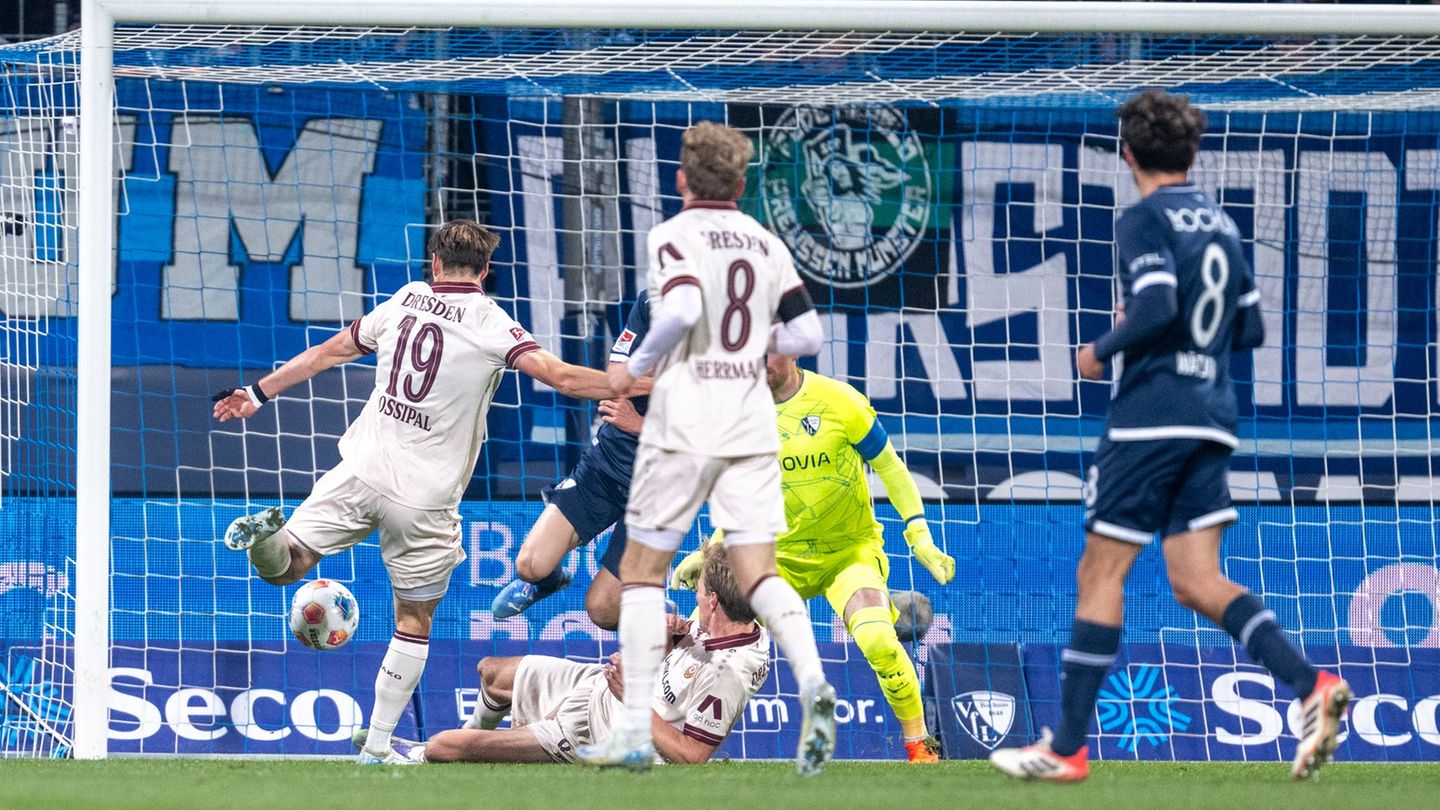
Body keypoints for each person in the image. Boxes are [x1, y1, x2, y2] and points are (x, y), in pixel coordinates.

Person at [989, 91, 1350, 782]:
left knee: (1100, 573)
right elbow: (1249, 329)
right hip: (1212, 413)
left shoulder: (1141, 219)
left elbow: (1156, 304)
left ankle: (1065, 745)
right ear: (1192, 152)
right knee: (1195, 580)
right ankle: (1312, 684)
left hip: (1152, 415)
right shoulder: (1220, 223)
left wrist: (1101, 348)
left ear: (1127, 153)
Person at [211, 220, 625, 765]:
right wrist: (639, 384)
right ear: (484, 272)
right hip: (422, 499)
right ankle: (377, 746)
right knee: (412, 620)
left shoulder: (404, 300)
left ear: (434, 264)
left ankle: (264, 538)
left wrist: (256, 392)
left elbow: (328, 352)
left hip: (359, 470)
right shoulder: (493, 323)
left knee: (287, 564)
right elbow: (563, 378)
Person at [581, 121, 834, 775]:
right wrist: (754, 347)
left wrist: (633, 370)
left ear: (682, 180)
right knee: (760, 575)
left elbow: (680, 312)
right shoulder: (766, 244)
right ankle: (814, 684)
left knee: (639, 575)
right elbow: (807, 335)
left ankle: (637, 723)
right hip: (747, 428)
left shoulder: (674, 239)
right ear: (744, 184)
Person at [664, 355, 955, 763]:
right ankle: (661, 732)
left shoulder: (839, 401)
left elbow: (890, 467)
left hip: (847, 555)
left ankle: (920, 745)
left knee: (878, 640)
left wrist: (919, 534)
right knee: (703, 633)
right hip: (774, 558)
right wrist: (711, 551)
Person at [354, 544, 769, 766]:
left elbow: (692, 756)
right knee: (492, 673)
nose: (693, 594)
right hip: (597, 687)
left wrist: (634, 700)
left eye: (699, 591)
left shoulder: (729, 675)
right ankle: (457, 750)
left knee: (448, 746)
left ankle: (421, 755)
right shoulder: (736, 615)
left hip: (600, 734)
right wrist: (669, 641)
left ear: (713, 601)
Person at [489, 291, 653, 630]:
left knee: (603, 610)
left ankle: (649, 609)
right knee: (530, 565)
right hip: (605, 466)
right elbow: (616, 372)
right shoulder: (654, 300)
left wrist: (641, 425)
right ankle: (549, 583)